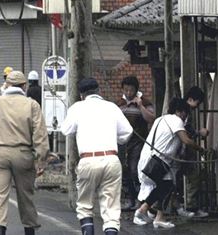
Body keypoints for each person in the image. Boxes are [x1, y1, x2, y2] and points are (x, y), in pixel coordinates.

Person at [0, 70, 49, 235]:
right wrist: (41, 159)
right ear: (24, 86)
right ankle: (29, 231)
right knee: (26, 196)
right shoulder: (32, 105)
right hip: (23, 154)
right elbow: (40, 135)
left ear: (7, 84)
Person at [61, 77, 133, 235]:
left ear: (81, 95)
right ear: (98, 91)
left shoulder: (77, 108)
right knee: (111, 208)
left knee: (85, 205)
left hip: (88, 159)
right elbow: (127, 132)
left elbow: (66, 130)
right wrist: (117, 139)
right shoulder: (112, 107)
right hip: (111, 159)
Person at [134, 98, 202, 229]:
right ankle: (149, 214)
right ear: (179, 112)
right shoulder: (175, 120)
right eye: (185, 114)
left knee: (165, 186)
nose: (185, 117)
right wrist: (201, 149)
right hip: (157, 161)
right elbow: (186, 140)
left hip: (148, 158)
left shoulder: (160, 119)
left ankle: (148, 212)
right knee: (167, 185)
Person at [115, 76, 155, 210]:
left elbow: (151, 119)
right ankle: (129, 199)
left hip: (138, 141)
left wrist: (140, 106)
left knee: (134, 169)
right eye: (126, 90)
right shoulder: (119, 104)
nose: (128, 93)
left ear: (136, 90)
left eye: (131, 90)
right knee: (123, 170)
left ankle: (140, 200)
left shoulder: (145, 102)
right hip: (122, 142)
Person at [177, 86, 210, 218]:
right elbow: (184, 131)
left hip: (183, 151)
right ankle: (183, 206)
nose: (197, 106)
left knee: (193, 176)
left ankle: (190, 207)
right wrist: (198, 133)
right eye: (197, 102)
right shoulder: (183, 111)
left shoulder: (187, 111)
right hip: (179, 152)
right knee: (184, 178)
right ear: (190, 99)